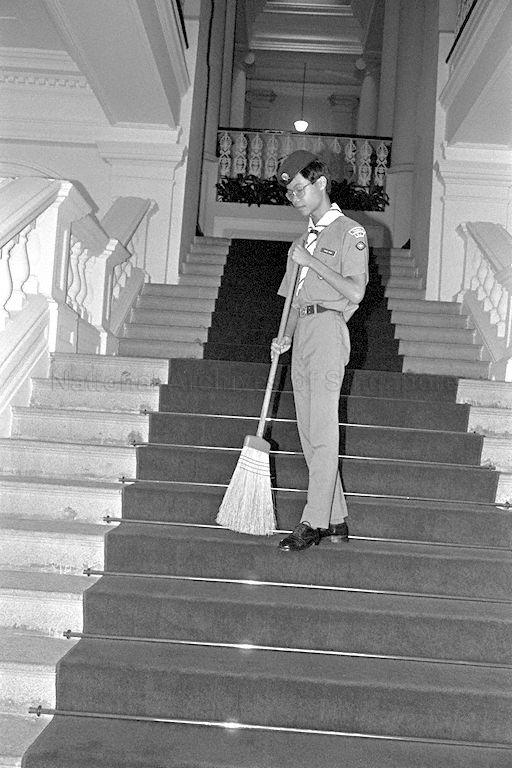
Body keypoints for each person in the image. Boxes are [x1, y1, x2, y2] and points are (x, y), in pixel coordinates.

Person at [271, 150, 368, 552]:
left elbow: (355, 291)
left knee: (323, 431)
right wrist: (285, 336)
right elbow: (293, 299)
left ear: (320, 183)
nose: (294, 196)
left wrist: (311, 260)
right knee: (310, 432)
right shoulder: (301, 241)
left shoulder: (350, 232)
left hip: (329, 328)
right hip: (304, 331)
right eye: (289, 191)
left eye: (298, 188)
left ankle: (313, 521)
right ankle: (337, 517)